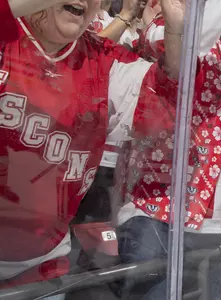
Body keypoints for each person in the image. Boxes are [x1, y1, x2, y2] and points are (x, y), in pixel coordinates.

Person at [0, 0, 186, 289]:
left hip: (41, 269)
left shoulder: (103, 58)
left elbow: (163, 104)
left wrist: (176, 32)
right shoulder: (8, 34)